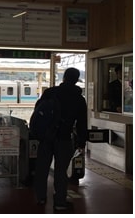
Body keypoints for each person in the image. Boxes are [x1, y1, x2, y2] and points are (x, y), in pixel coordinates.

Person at [34, 67, 87, 211]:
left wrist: (38, 133)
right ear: (76, 80)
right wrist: (81, 142)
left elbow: (38, 112)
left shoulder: (50, 92)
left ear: (63, 77)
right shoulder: (79, 99)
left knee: (42, 168)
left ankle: (40, 197)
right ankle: (59, 201)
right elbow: (82, 123)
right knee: (60, 171)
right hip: (64, 138)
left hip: (46, 137)